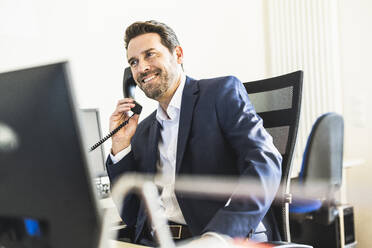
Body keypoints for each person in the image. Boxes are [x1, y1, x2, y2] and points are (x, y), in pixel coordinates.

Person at [106, 20, 282, 246]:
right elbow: (131, 215)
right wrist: (120, 145)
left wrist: (219, 236)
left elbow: (265, 163)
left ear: (177, 54)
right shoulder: (143, 131)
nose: (141, 68)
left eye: (150, 55)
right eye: (134, 62)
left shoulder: (220, 94)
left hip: (212, 238)